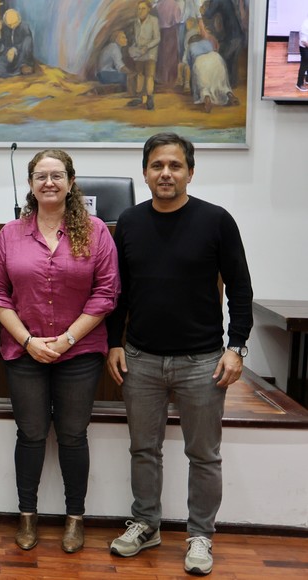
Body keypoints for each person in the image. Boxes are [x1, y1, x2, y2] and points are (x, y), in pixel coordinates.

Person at [106, 133, 253, 576]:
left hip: (202, 362)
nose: (165, 173)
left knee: (203, 455)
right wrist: (115, 342)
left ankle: (200, 535)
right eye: (157, 165)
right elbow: (120, 293)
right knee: (143, 449)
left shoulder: (216, 221)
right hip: (142, 359)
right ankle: (147, 524)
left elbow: (241, 288)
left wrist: (237, 346)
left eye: (174, 165)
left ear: (190, 171)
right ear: (145, 171)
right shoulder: (128, 222)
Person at [0, 149, 120, 554]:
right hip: (23, 352)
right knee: (30, 434)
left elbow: (106, 294)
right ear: (29, 184)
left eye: (57, 175)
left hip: (79, 354)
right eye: (40, 176)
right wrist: (28, 340)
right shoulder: (10, 233)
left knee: (73, 435)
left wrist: (65, 341)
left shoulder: (96, 231)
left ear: (71, 182)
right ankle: (27, 515)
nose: (49, 182)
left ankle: (74, 518)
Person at [127, 1, 160, 110]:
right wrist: (134, 48)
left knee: (149, 75)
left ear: (149, 9)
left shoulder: (154, 21)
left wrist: (147, 47)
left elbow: (157, 39)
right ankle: (140, 97)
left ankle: (150, 98)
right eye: (139, 9)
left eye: (143, 8)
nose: (140, 11)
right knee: (140, 74)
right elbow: (136, 39)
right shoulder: (136, 22)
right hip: (139, 53)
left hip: (150, 53)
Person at [0, 8, 34, 78]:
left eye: (14, 24)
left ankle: (24, 66)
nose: (12, 27)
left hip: (21, 57)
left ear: (19, 20)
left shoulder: (24, 27)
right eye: (9, 25)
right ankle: (14, 74)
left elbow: (27, 45)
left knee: (27, 41)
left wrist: (14, 50)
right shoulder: (3, 27)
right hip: (7, 56)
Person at [297, 13, 308, 92]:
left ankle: (307, 80)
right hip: (305, 48)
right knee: (304, 65)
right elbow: (304, 41)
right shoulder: (305, 25)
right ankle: (299, 84)